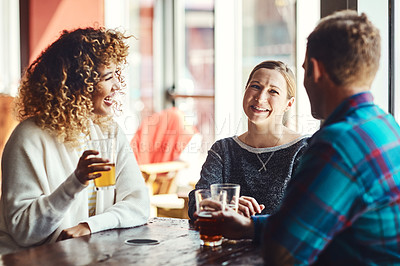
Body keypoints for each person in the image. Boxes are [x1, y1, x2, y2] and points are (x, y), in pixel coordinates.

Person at [207, 10, 400, 265]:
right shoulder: (386, 126)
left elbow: (283, 253)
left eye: (305, 69)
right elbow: (311, 222)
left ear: (316, 70)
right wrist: (250, 227)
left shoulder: (336, 143)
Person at [0, 27, 150, 254]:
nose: (117, 86)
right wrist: (76, 182)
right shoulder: (28, 137)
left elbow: (139, 205)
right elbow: (24, 231)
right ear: (78, 84)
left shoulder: (108, 131)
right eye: (108, 77)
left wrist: (89, 226)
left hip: (83, 255)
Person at [188, 60, 309, 220]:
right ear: (245, 90)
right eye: (255, 86)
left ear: (289, 103)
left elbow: (304, 214)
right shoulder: (223, 150)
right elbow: (196, 205)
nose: (260, 98)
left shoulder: (304, 150)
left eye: (273, 91)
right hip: (225, 244)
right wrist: (229, 205)